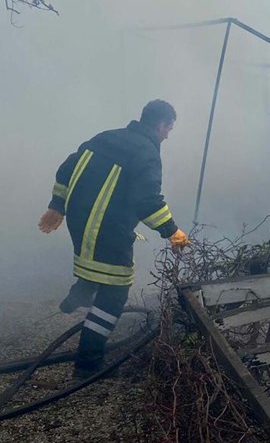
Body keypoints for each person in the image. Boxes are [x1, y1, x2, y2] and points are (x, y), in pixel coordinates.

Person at [37, 99, 190, 378]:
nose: (169, 134)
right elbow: (148, 201)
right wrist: (173, 231)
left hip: (81, 223)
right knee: (114, 294)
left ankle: (80, 293)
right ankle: (88, 366)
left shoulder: (105, 138)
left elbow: (66, 169)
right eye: (169, 128)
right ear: (160, 125)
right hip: (106, 230)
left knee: (93, 264)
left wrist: (57, 205)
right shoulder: (146, 152)